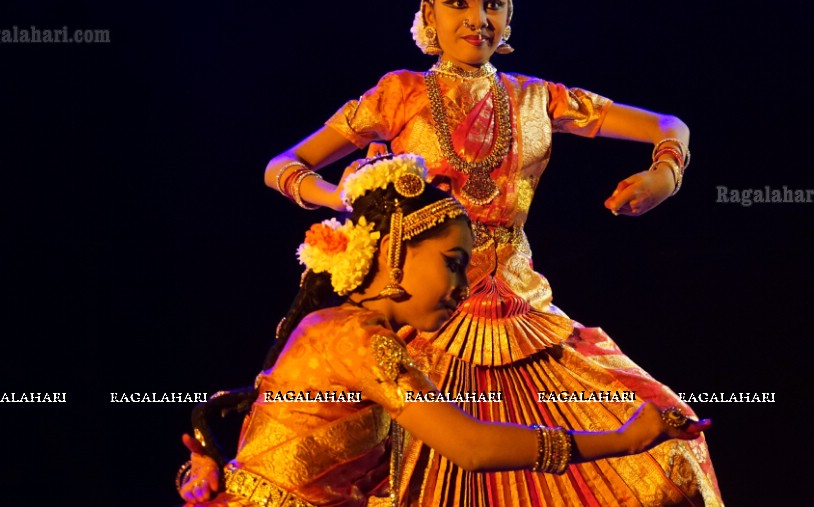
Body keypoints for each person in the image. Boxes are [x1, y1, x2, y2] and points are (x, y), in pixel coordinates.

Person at [264, 0, 722, 506]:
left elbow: (667, 125)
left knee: (667, 445)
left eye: (493, 3)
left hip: (523, 315)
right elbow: (284, 164)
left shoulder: (538, 98)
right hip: (423, 319)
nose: (478, 18)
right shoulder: (398, 95)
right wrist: (345, 197)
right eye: (458, 2)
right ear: (429, 13)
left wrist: (666, 174)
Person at [177, 154, 709, 506]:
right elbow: (470, 447)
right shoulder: (358, 338)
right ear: (391, 251)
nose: (464, 282)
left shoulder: (350, 332)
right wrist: (620, 439)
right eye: (454, 262)